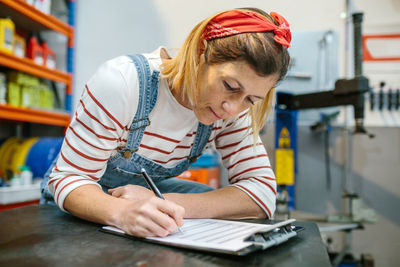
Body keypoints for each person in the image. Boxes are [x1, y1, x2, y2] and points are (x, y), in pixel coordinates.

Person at [41, 7, 291, 238]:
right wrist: (122, 213)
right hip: (82, 203)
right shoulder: (122, 83)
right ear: (200, 52)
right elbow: (70, 178)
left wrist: (163, 201)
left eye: (251, 99)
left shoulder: (233, 112)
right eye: (229, 86)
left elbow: (262, 195)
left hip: (142, 198)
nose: (233, 108)